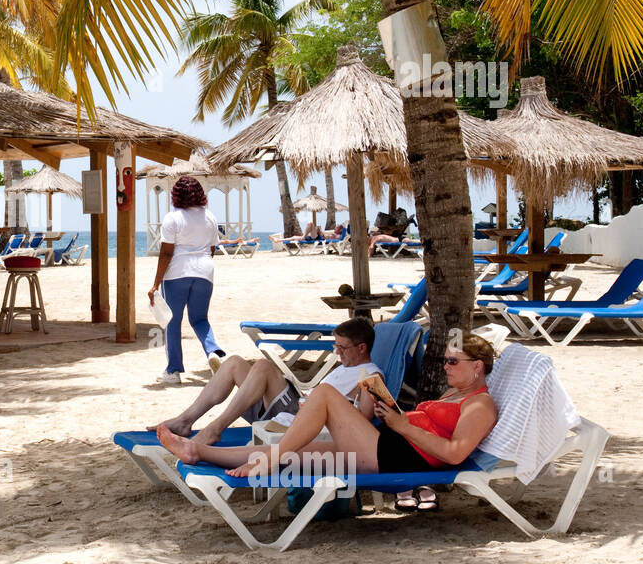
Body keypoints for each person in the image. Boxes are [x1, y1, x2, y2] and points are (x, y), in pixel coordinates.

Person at [156, 333, 499, 500]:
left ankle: (272, 459)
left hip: (395, 457)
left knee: (323, 396)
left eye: (454, 362)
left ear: (478, 367)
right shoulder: (457, 393)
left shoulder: (480, 405)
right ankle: (197, 451)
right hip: (389, 445)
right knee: (301, 456)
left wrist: (404, 425)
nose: (446, 367)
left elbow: (454, 452)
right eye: (445, 361)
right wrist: (395, 414)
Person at [152, 317, 383, 443]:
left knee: (263, 366)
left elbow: (362, 420)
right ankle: (185, 421)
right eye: (336, 346)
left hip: (305, 416)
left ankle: (215, 428)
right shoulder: (346, 366)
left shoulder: (371, 375)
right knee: (233, 363)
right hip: (300, 405)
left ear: (362, 348)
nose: (337, 352)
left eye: (342, 348)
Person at [148, 176, 224, 384]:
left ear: (176, 195)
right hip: (205, 271)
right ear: (200, 194)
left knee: (173, 321)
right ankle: (213, 351)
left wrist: (156, 283)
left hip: (177, 273)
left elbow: (166, 253)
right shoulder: (210, 217)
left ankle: (173, 371)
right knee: (199, 319)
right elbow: (211, 249)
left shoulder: (173, 218)